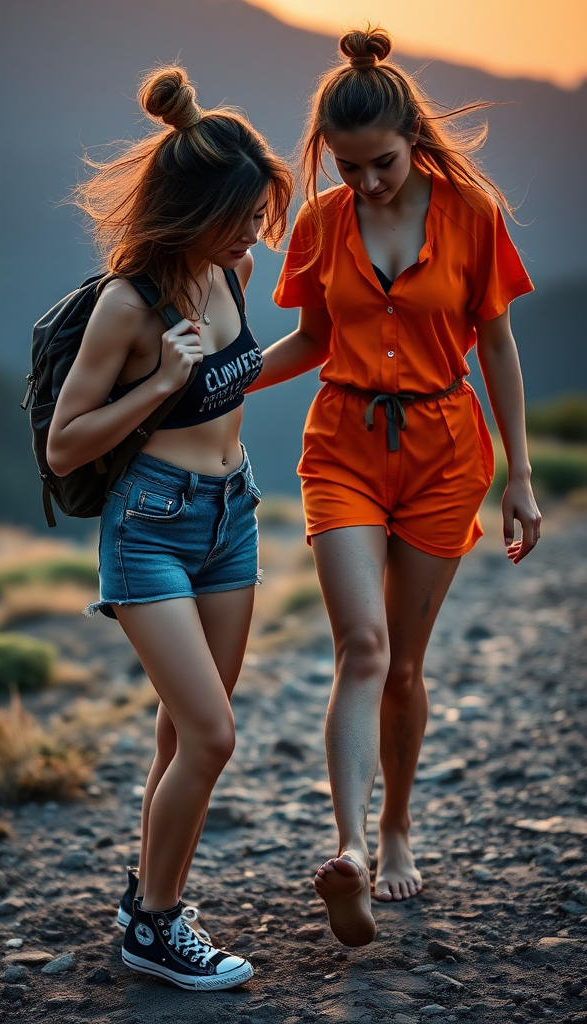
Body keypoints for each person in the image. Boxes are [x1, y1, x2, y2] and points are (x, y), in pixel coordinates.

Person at [249, 27, 541, 947]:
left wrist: (521, 476)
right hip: (341, 443)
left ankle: (396, 823)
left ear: (413, 137)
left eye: (377, 164)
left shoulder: (471, 213)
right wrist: (216, 378)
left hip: (447, 452)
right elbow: (308, 341)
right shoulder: (322, 224)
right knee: (361, 647)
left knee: (405, 668)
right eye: (345, 167)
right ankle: (350, 856)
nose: (364, 184)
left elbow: (495, 344)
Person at [46, 65, 292, 988]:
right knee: (213, 737)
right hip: (148, 524)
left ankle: (150, 897)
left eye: (259, 212)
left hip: (232, 515)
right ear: (191, 210)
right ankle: (155, 925)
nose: (254, 231)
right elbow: (66, 447)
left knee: (179, 736)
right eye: (241, 215)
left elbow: (240, 374)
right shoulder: (128, 304)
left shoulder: (233, 268)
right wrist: (156, 384)